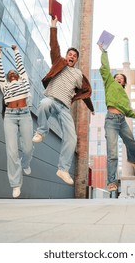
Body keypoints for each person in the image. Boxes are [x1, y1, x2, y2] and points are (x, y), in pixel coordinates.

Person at [32, 16, 94, 185]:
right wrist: (53, 26)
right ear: (66, 56)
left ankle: (63, 169)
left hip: (64, 108)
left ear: (76, 60)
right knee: (44, 103)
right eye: (70, 54)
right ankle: (41, 131)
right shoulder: (59, 62)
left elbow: (86, 92)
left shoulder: (78, 75)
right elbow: (54, 46)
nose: (71, 57)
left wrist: (92, 109)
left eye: (74, 56)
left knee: (72, 137)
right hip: (52, 99)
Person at [98, 44, 135, 192]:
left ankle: (133, 159)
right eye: (116, 77)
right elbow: (105, 69)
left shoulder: (125, 96)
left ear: (124, 83)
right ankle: (112, 182)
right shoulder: (109, 84)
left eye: (121, 78)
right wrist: (104, 52)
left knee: (131, 141)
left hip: (122, 120)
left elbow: (129, 111)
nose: (118, 78)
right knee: (112, 153)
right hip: (111, 120)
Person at [0, 44, 33, 198]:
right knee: (11, 151)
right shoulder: (4, 86)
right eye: (9, 73)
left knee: (28, 147)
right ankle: (16, 184)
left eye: (13, 72)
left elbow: (20, 66)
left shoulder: (24, 80)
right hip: (10, 117)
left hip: (25, 114)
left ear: (18, 75)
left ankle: (25, 163)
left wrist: (16, 51)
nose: (11, 73)